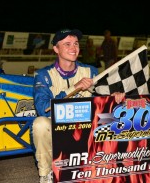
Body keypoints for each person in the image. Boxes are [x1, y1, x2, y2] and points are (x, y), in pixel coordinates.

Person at [32, 28, 124, 183]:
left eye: (75, 43)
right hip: (59, 128)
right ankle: (46, 174)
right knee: (40, 124)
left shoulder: (90, 70)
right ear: (56, 49)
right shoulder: (44, 75)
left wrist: (114, 97)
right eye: (67, 44)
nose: (73, 48)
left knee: (119, 116)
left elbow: (102, 98)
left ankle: (112, 166)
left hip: (86, 128)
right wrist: (74, 88)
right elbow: (43, 109)